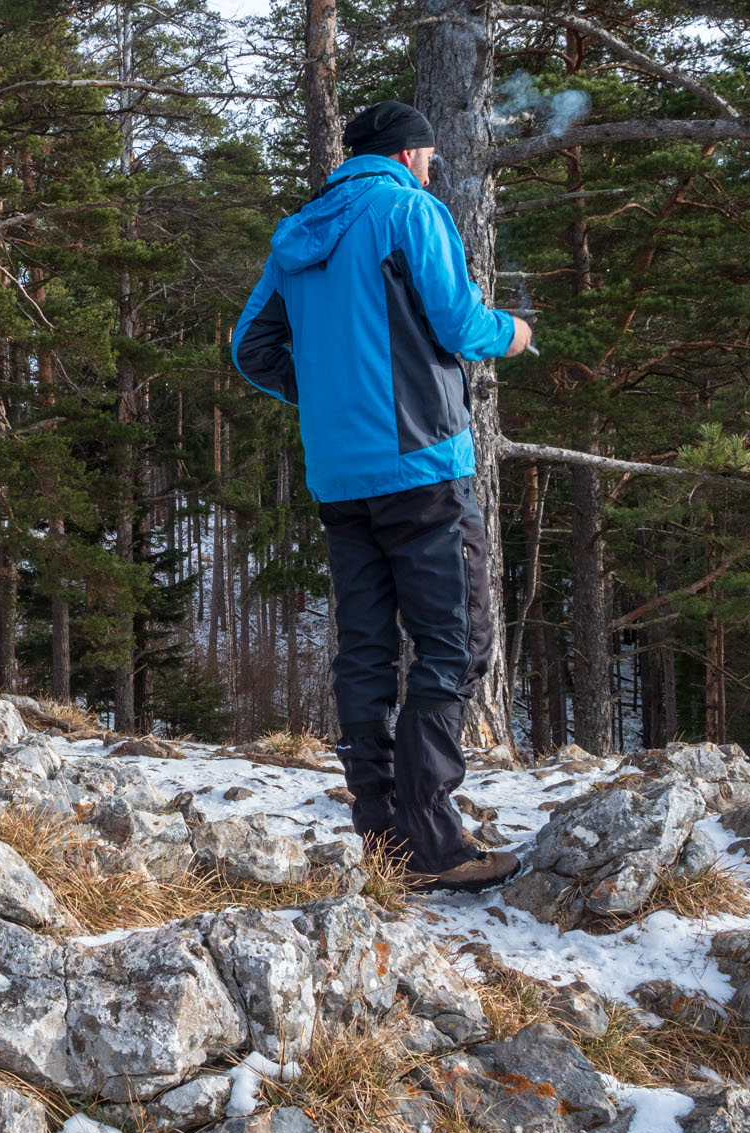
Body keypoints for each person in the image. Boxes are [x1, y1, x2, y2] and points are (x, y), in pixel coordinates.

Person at [232, 100, 533, 893]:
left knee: (366, 647)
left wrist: (332, 400)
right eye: (430, 157)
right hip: (424, 466)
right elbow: (462, 324)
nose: (433, 169)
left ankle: (382, 836)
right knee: (455, 644)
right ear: (407, 155)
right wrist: (515, 332)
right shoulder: (410, 211)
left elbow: (250, 348)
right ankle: (435, 842)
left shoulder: (299, 233)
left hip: (340, 476)